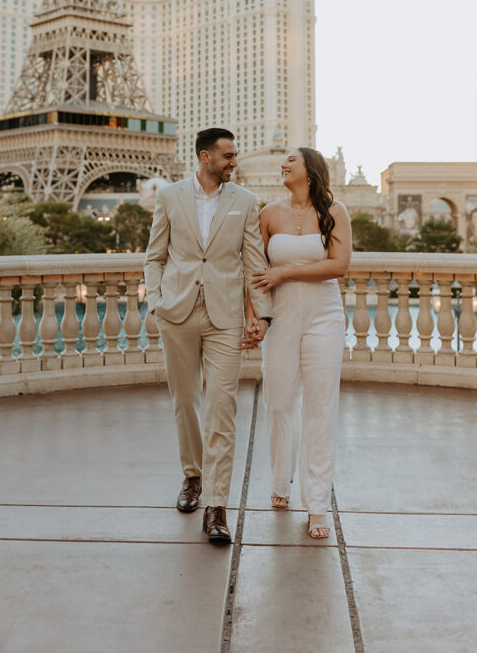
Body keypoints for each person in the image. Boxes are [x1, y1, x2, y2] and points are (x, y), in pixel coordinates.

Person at [144, 127, 272, 544]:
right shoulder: (169, 196)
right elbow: (155, 257)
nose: (235, 162)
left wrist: (262, 316)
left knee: (222, 406)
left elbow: (254, 263)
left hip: (225, 317)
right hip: (177, 313)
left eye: (234, 156)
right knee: (185, 401)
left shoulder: (246, 202)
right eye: (229, 156)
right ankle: (192, 476)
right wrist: (158, 301)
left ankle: (217, 506)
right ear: (205, 157)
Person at [248, 147, 351, 540]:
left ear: (309, 170)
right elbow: (254, 273)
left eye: (291, 159)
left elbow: (340, 265)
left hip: (324, 315)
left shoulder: (334, 211)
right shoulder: (268, 214)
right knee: (278, 401)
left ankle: (318, 503)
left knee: (320, 406)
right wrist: (254, 317)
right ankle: (280, 480)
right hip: (282, 317)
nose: (283, 164)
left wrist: (285, 272)